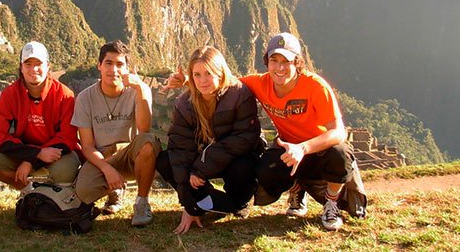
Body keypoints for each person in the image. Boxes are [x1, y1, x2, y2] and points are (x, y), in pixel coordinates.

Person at [166, 32, 360, 232]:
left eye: (287, 61)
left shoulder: (316, 87)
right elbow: (221, 81)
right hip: (287, 148)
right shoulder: (259, 83)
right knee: (265, 170)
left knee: (340, 153)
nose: (280, 68)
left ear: (298, 63)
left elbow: (338, 133)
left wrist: (303, 148)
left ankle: (331, 204)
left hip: (319, 148)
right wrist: (188, 79)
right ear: (267, 62)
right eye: (274, 60)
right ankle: (296, 191)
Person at [156, 46, 264, 234]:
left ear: (220, 71)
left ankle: (237, 202)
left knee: (243, 165)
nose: (203, 80)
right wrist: (189, 203)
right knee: (165, 161)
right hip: (203, 159)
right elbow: (180, 150)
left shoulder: (239, 94)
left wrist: (200, 170)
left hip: (234, 157)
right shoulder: (185, 104)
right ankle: (205, 200)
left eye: (208, 73)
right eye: (197, 75)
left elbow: (244, 138)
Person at [70, 40, 160, 227]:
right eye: (108, 63)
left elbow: (144, 131)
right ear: (99, 66)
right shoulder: (85, 98)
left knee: (148, 142)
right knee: (84, 191)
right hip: (103, 156)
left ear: (128, 68)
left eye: (120, 64)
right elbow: (87, 146)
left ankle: (142, 202)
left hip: (130, 154)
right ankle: (115, 193)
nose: (114, 70)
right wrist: (106, 168)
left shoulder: (139, 91)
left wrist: (141, 89)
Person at [0, 41, 80, 196]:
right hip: (23, 150)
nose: (33, 69)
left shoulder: (64, 95)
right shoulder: (10, 95)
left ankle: (56, 199)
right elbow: (0, 137)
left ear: (48, 66)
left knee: (66, 169)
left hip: (55, 152)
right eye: (28, 64)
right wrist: (35, 154)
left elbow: (68, 137)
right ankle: (27, 191)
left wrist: (31, 160)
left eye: (39, 64)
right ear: (21, 67)